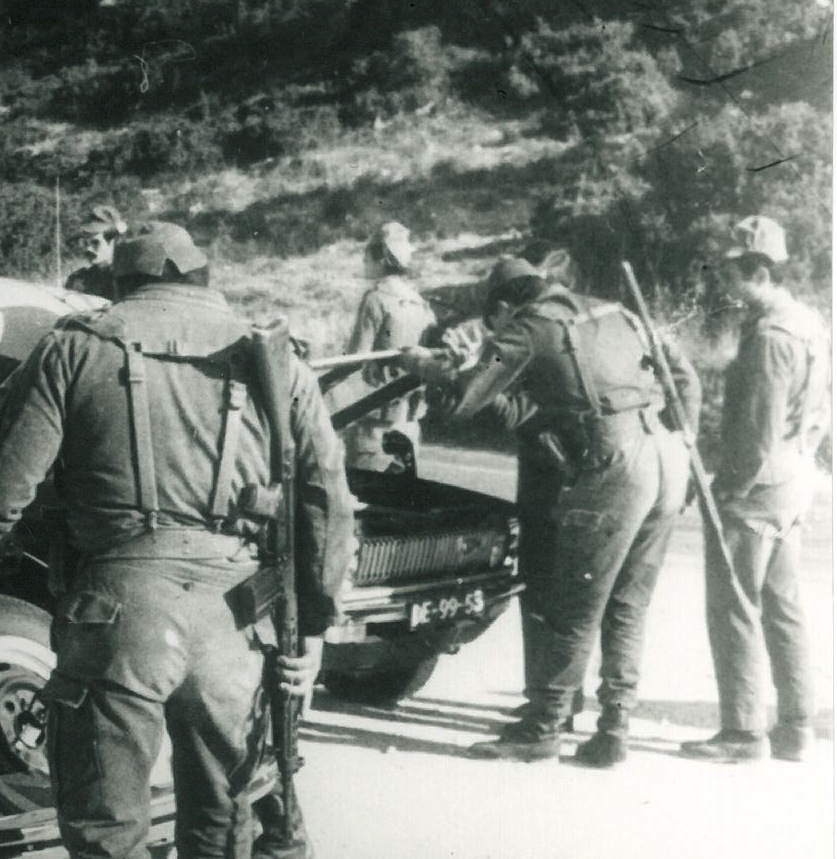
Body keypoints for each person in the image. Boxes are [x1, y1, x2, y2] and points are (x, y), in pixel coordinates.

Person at [0, 221, 353, 859]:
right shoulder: (272, 354)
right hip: (236, 612)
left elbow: (4, 489)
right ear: (205, 275)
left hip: (118, 608)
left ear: (117, 283)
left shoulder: (75, 348)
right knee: (224, 796)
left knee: (106, 821)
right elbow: (326, 496)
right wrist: (312, 624)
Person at [403, 257, 698, 767]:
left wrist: (427, 366)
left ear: (500, 307)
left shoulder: (528, 326)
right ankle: (614, 727)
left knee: (574, 600)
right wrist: (687, 451)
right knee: (627, 602)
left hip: (616, 464)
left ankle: (543, 726)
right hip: (666, 455)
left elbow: (469, 397)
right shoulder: (617, 311)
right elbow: (685, 379)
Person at [684, 217, 830, 763]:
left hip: (759, 485)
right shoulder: (809, 321)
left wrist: (726, 490)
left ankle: (743, 733)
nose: (724, 284)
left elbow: (755, 432)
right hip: (794, 479)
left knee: (735, 606)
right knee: (783, 606)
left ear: (757, 270)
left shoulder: (770, 335)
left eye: (731, 273)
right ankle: (796, 727)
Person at [342, 221, 436, 472]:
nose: (364, 260)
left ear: (381, 257)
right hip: (410, 421)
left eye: (368, 254)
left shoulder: (376, 299)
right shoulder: (420, 303)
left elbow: (353, 362)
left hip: (375, 424)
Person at [64, 203, 128, 298]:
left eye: (95, 243)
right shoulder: (78, 281)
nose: (88, 249)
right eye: (85, 243)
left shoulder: (129, 280)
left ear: (115, 242)